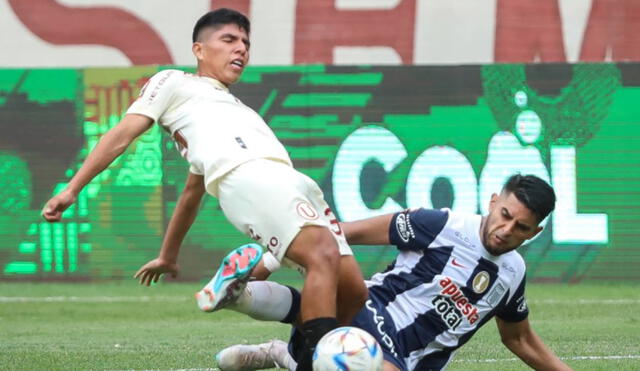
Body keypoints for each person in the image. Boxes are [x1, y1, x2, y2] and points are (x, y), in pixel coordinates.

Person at [40, 8, 367, 370]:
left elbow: (190, 195)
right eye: (228, 40)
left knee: (352, 291)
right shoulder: (173, 82)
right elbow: (122, 134)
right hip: (249, 177)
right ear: (198, 49)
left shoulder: (225, 112)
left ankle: (299, 359)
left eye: (245, 43)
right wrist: (72, 189)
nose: (240, 49)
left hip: (294, 183)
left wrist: (168, 255)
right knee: (320, 254)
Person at [213, 174, 573, 371]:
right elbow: (337, 233)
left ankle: (282, 354)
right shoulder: (442, 225)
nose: (506, 230)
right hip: (370, 310)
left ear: (535, 233)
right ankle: (239, 295)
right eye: (505, 215)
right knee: (334, 298)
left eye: (521, 228)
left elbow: (519, 339)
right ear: (493, 201)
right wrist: (265, 265)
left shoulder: (512, 274)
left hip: (409, 361)